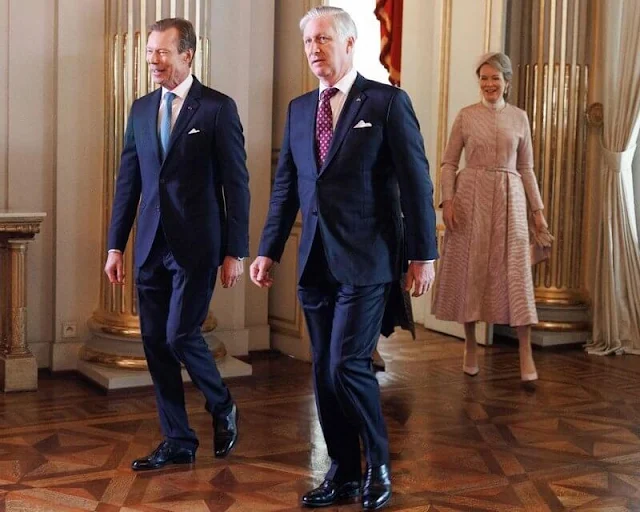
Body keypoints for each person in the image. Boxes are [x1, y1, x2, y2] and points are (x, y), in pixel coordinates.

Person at [249, 6, 437, 510]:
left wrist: (422, 255)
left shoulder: (388, 102)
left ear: (350, 44)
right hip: (314, 261)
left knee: (346, 363)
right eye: (308, 41)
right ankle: (343, 471)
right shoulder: (298, 110)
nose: (314, 49)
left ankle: (377, 463)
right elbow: (286, 186)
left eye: (324, 39)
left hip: (369, 259)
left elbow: (418, 184)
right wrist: (267, 250)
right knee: (322, 370)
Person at [104, 18, 249, 471]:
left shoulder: (217, 109)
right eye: (149, 52)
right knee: (154, 342)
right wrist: (115, 246)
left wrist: (235, 251)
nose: (153, 61)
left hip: (198, 245)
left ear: (188, 55)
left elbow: (236, 185)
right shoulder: (141, 109)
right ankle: (178, 439)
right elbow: (128, 181)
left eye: (163, 52)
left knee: (179, 334)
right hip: (149, 244)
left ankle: (222, 403)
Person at [432, 52, 550, 383]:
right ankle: (470, 344)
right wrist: (448, 199)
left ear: (507, 82)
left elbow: (526, 167)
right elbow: (448, 162)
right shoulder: (466, 116)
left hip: (510, 199)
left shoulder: (520, 118)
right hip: (471, 199)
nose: (489, 84)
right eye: (484, 78)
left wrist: (538, 212)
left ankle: (525, 353)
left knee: (515, 273)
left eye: (495, 78)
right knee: (472, 269)